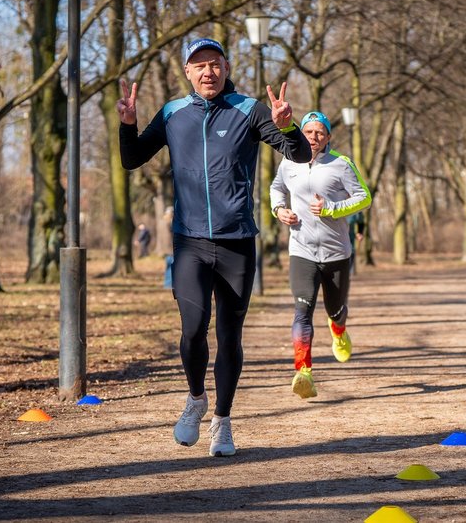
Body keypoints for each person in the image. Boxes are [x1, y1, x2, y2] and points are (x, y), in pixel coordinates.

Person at [117, 37, 311, 457]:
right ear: (187, 71)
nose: (209, 72)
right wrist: (128, 124)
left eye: (215, 64)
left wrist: (286, 126)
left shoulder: (249, 109)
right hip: (190, 242)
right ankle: (195, 398)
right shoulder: (173, 113)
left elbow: (298, 154)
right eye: (200, 65)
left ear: (226, 68)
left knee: (229, 335)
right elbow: (132, 159)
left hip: (237, 240)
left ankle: (222, 421)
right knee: (192, 331)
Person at [270, 111, 372, 400]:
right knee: (302, 310)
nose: (313, 137)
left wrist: (332, 208)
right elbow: (276, 188)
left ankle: (338, 329)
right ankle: (303, 372)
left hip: (336, 251)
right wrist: (279, 210)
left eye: (319, 133)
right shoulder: (288, 161)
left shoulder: (341, 164)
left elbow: (364, 197)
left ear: (328, 137)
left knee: (335, 309)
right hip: (301, 250)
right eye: (308, 131)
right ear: (301, 133)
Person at [347, 211, 366, 276]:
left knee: (347, 273)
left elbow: (361, 222)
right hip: (334, 245)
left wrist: (359, 233)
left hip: (350, 244)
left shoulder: (355, 211)